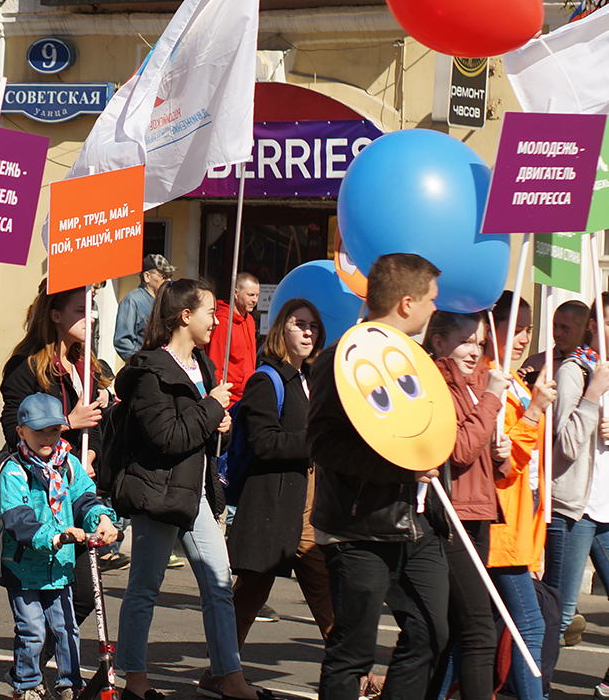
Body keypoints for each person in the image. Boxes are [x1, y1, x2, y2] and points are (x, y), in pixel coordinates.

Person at [107, 277, 263, 700]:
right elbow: (168, 438)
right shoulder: (150, 371)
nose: (217, 320)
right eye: (210, 312)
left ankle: (230, 677)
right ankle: (135, 680)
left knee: (219, 583)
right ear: (185, 316)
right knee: (145, 587)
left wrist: (221, 424)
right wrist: (212, 408)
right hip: (159, 493)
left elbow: (199, 433)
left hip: (196, 493)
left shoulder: (204, 366)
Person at [308, 253, 450, 700]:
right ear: (407, 303)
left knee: (432, 630)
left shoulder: (417, 359)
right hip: (359, 527)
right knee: (353, 652)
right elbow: (322, 444)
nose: (435, 308)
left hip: (417, 524)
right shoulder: (339, 359)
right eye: (431, 299)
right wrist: (401, 467)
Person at [0, 279, 130, 618]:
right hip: (39, 493)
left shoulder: (87, 366)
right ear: (56, 315)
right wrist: (67, 422)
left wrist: (88, 457)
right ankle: (33, 652)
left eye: (92, 310)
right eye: (80, 311)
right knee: (40, 598)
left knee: (83, 596)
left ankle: (44, 651)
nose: (91, 317)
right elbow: (13, 429)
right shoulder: (25, 365)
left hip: (75, 486)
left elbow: (94, 426)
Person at [0, 392, 118, 700]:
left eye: (53, 430)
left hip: (59, 566)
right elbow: (17, 519)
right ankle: (27, 685)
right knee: (32, 629)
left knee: (66, 627)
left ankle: (69, 685)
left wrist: (102, 518)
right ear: (21, 431)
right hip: (23, 567)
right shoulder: (13, 471)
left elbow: (84, 498)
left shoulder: (69, 464)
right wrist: (56, 536)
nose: (47, 438)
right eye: (39, 431)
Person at [226, 298, 330, 650]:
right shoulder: (266, 379)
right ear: (281, 330)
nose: (308, 332)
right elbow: (264, 443)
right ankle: (222, 668)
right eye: (300, 324)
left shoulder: (310, 380)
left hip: (309, 510)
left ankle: (352, 671)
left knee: (328, 597)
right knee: (248, 599)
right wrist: (314, 440)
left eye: (313, 326)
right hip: (274, 506)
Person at [422, 310, 509, 700]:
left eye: (480, 343)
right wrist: (491, 399)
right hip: (451, 514)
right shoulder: (436, 383)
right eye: (466, 341)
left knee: (451, 630)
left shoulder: (477, 383)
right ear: (439, 342)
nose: (475, 351)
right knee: (479, 629)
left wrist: (501, 453)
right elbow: (458, 450)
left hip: (479, 512)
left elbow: (487, 460)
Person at [484, 292, 556, 700]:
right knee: (530, 623)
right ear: (492, 328)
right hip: (500, 523)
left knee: (472, 633)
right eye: (517, 328)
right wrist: (533, 412)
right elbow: (505, 463)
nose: (524, 338)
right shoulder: (490, 382)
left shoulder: (515, 380)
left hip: (521, 520)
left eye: (529, 329)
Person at [542, 298, 609, 648]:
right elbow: (566, 444)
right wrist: (593, 395)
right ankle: (526, 676)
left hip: (606, 509)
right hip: (575, 510)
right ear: (595, 326)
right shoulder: (574, 370)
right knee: (559, 613)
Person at [113, 254, 175, 361]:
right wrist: (142, 362)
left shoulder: (166, 300)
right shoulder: (132, 301)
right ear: (147, 277)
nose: (168, 281)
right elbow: (122, 341)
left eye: (170, 276)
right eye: (164, 277)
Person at [209, 272, 260, 399]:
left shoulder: (250, 320)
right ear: (236, 293)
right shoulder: (222, 322)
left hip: (247, 394)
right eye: (250, 295)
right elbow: (215, 363)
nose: (255, 300)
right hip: (228, 397)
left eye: (257, 295)